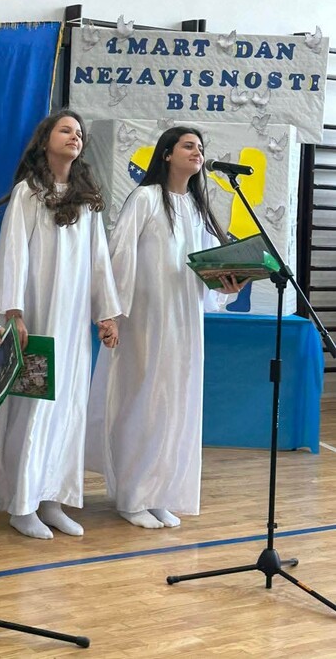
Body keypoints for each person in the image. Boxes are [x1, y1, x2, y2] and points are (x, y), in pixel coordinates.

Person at [86, 126, 243, 529]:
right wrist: (111, 314)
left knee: (175, 405)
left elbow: (206, 268)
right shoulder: (145, 198)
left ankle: (159, 493)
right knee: (142, 402)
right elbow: (120, 254)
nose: (197, 152)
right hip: (145, 319)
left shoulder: (198, 208)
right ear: (167, 154)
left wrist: (227, 286)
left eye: (200, 147)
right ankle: (132, 495)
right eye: (188, 145)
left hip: (184, 320)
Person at [0, 110, 121, 540]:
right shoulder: (29, 193)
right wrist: (13, 312)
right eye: (66, 130)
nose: (75, 137)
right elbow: (12, 253)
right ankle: (22, 504)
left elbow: (99, 259)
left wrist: (106, 313)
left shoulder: (87, 199)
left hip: (74, 326)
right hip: (38, 321)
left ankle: (53, 501)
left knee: (68, 410)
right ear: (45, 140)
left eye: (79, 133)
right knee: (35, 408)